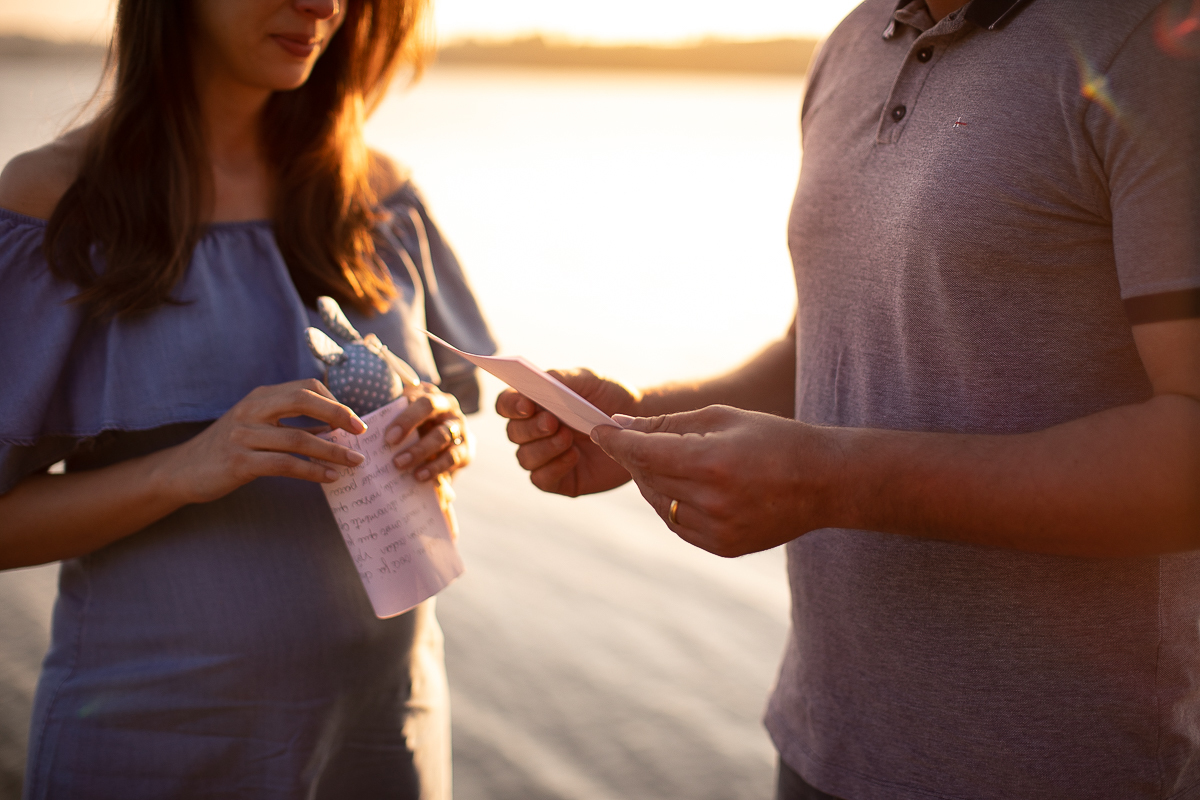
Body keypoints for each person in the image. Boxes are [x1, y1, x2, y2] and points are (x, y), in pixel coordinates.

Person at [498, 0, 1200, 798]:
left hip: (1071, 767)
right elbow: (821, 349)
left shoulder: (1153, 43)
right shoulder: (853, 43)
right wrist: (634, 424)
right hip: (824, 745)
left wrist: (834, 481)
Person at [0, 0, 495, 797]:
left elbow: (432, 412)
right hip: (156, 744)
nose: (323, 6)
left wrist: (439, 440)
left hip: (385, 727)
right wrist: (183, 468)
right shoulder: (55, 202)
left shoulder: (379, 195)